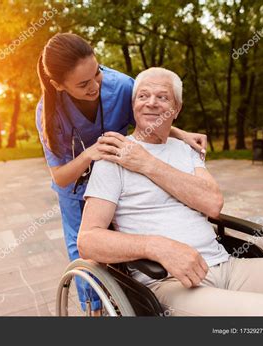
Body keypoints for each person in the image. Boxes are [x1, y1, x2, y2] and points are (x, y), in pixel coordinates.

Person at [77, 67, 263, 316]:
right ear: (134, 104)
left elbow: (212, 204)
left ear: (176, 109)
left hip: (227, 266)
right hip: (168, 283)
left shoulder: (185, 150)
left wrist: (147, 163)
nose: (151, 102)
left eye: (162, 97)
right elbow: (88, 241)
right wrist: (156, 246)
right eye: (143, 95)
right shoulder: (114, 156)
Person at [35, 33, 207, 314]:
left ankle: (131, 302)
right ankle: (95, 311)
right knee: (86, 252)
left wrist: (181, 133)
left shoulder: (121, 86)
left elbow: (147, 119)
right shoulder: (48, 113)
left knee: (124, 243)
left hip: (118, 179)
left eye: (97, 73)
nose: (95, 86)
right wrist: (89, 154)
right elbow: (60, 177)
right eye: (83, 84)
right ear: (58, 85)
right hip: (75, 192)